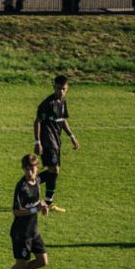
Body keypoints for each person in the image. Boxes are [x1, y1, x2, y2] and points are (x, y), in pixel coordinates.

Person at [0, 154, 49, 269]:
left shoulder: (37, 181)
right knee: (22, 262)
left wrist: (44, 205)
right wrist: (36, 209)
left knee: (42, 261)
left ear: (37, 167)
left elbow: (52, 173)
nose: (29, 171)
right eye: (26, 169)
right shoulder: (22, 187)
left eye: (32, 168)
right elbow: (16, 211)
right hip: (21, 233)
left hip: (33, 231)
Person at [34, 75, 79, 213]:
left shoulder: (63, 102)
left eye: (63, 89)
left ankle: (46, 200)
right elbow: (37, 122)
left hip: (57, 141)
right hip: (48, 141)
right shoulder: (47, 103)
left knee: (55, 170)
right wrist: (38, 142)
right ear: (54, 87)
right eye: (58, 88)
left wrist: (71, 136)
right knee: (54, 169)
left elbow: (63, 120)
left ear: (67, 89)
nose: (61, 91)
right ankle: (29, 184)